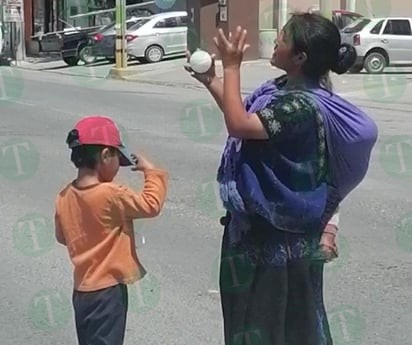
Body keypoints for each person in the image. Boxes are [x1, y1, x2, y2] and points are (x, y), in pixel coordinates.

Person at [185, 12, 377, 345]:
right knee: (249, 322)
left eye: (283, 38)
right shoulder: (280, 89)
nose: (275, 41)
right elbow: (243, 115)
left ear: (300, 57)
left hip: (279, 240)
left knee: (279, 328)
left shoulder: (300, 107)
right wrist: (212, 81)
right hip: (251, 233)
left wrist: (232, 67)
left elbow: (239, 126)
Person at [54, 116, 168, 345]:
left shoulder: (64, 196)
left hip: (82, 291)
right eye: (117, 158)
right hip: (108, 292)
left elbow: (62, 236)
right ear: (106, 155)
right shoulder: (112, 194)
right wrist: (152, 173)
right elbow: (151, 205)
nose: (118, 166)